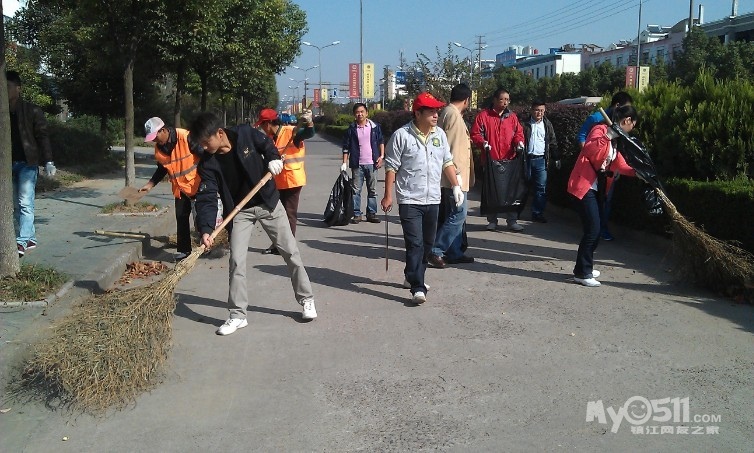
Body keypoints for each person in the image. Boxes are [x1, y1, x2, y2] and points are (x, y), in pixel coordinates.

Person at [189, 112, 317, 335]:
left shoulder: (245, 134)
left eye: (205, 141)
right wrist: (206, 229)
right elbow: (207, 197)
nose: (204, 146)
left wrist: (273, 159)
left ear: (219, 134)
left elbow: (267, 145)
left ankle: (306, 299)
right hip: (240, 212)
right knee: (236, 261)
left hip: (268, 202)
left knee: (290, 253)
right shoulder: (208, 164)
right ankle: (238, 315)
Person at [381, 92, 463, 305]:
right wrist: (388, 195)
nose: (436, 115)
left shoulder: (440, 135)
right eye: (431, 111)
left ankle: (411, 274)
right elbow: (391, 167)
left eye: (437, 110)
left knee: (427, 245)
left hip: (433, 199)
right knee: (415, 243)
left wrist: (456, 186)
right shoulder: (402, 135)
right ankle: (418, 286)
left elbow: (447, 162)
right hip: (409, 199)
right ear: (418, 113)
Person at [567, 105, 640, 287]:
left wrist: (637, 173)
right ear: (627, 120)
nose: (632, 129)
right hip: (584, 184)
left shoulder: (616, 140)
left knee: (596, 230)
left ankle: (585, 267)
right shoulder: (600, 130)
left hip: (597, 187)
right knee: (592, 229)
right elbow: (591, 151)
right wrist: (607, 135)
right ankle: (582, 273)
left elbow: (618, 164)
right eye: (633, 125)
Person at [7, 70, 56, 258]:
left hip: (28, 162)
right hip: (7, 164)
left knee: (25, 202)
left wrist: (49, 160)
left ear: (18, 89)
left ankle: (21, 242)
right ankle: (30, 237)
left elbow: (42, 136)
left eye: (8, 87)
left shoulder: (32, 110)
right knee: (14, 204)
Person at [140, 117, 203, 262]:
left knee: (201, 217)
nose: (155, 141)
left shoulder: (185, 137)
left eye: (155, 137)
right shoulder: (159, 149)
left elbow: (203, 156)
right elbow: (162, 169)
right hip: (179, 188)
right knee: (181, 218)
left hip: (197, 184)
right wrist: (150, 184)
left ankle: (206, 244)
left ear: (163, 130)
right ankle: (184, 250)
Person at [255, 107, 314, 255]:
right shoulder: (269, 138)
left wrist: (310, 122)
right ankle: (278, 243)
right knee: (276, 213)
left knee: (289, 213)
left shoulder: (291, 132)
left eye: (262, 124)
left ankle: (287, 245)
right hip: (278, 180)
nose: (262, 128)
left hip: (292, 179)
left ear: (269, 123)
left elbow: (308, 133)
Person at [428, 83, 475, 268]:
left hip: (451, 175)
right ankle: (436, 250)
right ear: (467, 100)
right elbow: (452, 149)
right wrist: (456, 176)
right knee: (458, 213)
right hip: (455, 175)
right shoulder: (454, 116)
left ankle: (454, 252)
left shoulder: (447, 112)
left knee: (451, 214)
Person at [577, 91, 633, 241]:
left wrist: (619, 166)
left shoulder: (619, 126)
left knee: (606, 200)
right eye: (624, 109)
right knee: (592, 207)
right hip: (591, 171)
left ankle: (601, 229)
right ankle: (594, 230)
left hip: (608, 169)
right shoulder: (597, 120)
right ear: (617, 106)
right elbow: (582, 137)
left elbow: (617, 150)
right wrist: (592, 156)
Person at [470, 88, 525, 232]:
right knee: (492, 191)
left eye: (507, 99)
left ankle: (512, 220)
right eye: (502, 99)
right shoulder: (484, 116)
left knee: (511, 191)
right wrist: (483, 143)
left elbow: (518, 133)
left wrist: (519, 142)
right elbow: (475, 133)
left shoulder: (512, 117)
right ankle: (492, 220)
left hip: (509, 160)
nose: (505, 102)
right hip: (491, 160)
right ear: (494, 100)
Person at [341, 103, 385, 224]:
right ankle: (356, 214)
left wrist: (381, 156)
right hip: (357, 163)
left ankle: (371, 213)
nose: (360, 114)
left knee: (373, 190)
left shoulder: (375, 127)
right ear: (354, 115)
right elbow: (346, 146)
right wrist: (344, 162)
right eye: (357, 112)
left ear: (366, 113)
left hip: (372, 163)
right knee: (356, 190)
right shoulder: (351, 129)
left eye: (362, 112)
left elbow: (381, 141)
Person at [522, 100, 559, 223]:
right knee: (523, 187)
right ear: (532, 110)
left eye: (542, 110)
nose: (539, 113)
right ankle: (516, 211)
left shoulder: (547, 124)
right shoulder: (525, 124)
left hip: (541, 160)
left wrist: (556, 157)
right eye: (537, 110)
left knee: (541, 188)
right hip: (526, 159)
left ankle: (537, 213)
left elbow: (552, 141)